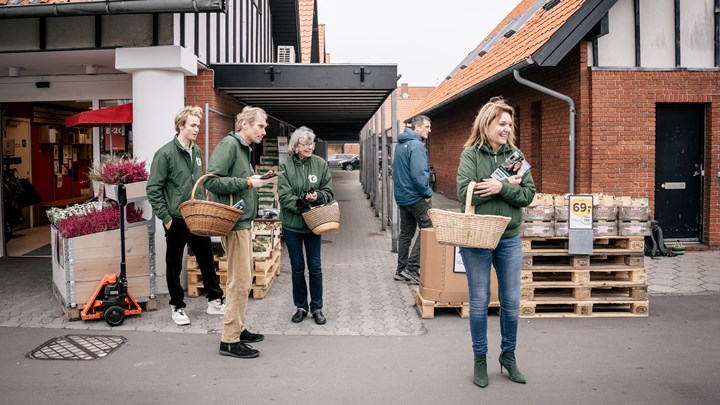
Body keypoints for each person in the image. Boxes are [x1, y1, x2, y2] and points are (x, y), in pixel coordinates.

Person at [455, 97, 536, 388]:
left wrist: (500, 187)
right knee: (478, 302)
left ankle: (508, 357)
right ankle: (480, 360)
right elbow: (464, 192)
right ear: (487, 123)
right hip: (477, 237)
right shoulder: (470, 155)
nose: (507, 129)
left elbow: (528, 194)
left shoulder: (516, 155)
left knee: (512, 301)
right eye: (502, 124)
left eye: (509, 124)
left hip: (509, 237)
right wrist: (500, 188)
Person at [204, 106, 276, 358]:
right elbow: (210, 180)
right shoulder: (229, 145)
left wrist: (258, 179)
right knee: (240, 281)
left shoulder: (242, 148)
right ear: (244, 124)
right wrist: (247, 182)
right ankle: (229, 340)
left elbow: (235, 179)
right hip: (234, 224)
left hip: (242, 222)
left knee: (243, 279)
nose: (264, 131)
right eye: (260, 126)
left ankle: (239, 328)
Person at [146, 106, 226, 326]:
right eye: (193, 125)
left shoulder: (197, 151)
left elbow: (196, 183)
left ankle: (215, 300)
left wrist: (202, 203)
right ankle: (177, 306)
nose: (197, 129)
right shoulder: (165, 154)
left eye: (198, 125)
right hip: (175, 218)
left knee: (206, 258)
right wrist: (166, 218)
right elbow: (153, 188)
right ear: (181, 126)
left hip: (196, 216)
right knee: (174, 264)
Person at [277, 126, 334, 325]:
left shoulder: (320, 164)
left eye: (311, 143)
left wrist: (318, 196)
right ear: (296, 146)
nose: (309, 147)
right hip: (292, 226)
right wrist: (302, 201)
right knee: (297, 267)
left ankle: (317, 307)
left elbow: (328, 191)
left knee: (315, 267)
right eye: (305, 144)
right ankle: (301, 306)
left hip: (314, 225)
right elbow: (284, 196)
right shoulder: (285, 167)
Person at [392, 115, 433, 284]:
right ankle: (412, 268)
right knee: (429, 228)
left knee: (406, 233)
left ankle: (400, 270)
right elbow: (419, 174)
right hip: (416, 197)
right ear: (417, 128)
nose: (429, 130)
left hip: (402, 197)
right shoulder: (416, 146)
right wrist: (427, 192)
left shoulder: (400, 145)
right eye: (427, 127)